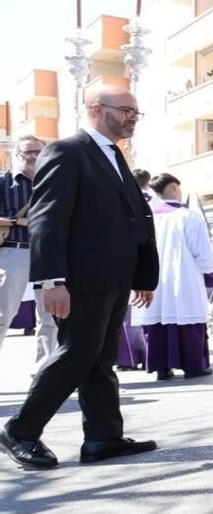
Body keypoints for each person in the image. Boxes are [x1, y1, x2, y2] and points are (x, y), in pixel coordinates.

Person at [0, 84, 160, 470]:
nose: (131, 118)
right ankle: (21, 430)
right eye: (126, 110)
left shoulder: (113, 156)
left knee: (101, 358)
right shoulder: (67, 151)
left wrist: (141, 274)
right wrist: (51, 280)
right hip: (79, 278)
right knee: (77, 353)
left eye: (136, 113)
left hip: (113, 277)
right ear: (94, 107)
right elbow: (47, 219)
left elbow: (131, 216)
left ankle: (103, 438)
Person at [130, 174, 213, 380]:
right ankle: (194, 365)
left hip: (153, 280)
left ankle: (161, 367)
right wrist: (208, 272)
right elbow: (204, 256)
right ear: (175, 188)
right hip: (184, 279)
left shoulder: (145, 216)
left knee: (157, 318)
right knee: (187, 316)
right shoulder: (189, 216)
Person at [0, 134, 44, 350]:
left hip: (48, 253)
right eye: (28, 151)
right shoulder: (4, 181)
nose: (34, 156)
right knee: (2, 314)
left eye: (38, 151)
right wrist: (18, 221)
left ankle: (45, 377)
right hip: (14, 251)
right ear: (17, 154)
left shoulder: (54, 181)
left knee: (51, 319)